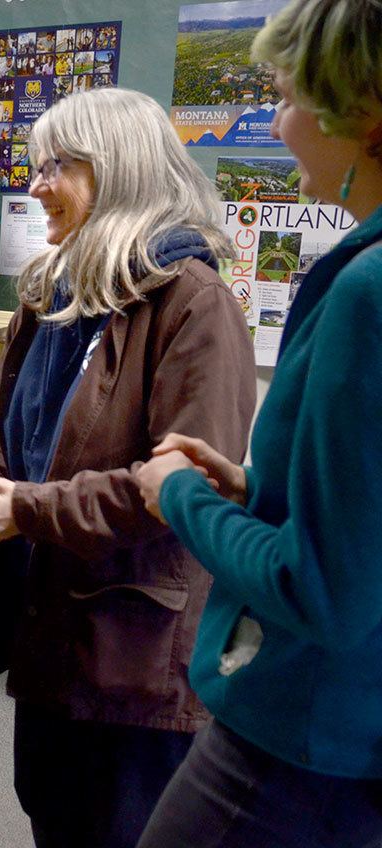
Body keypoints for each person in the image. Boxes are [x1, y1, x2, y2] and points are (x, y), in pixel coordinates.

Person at [0, 87, 256, 848]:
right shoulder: (56, 290)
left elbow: (188, 489)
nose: (34, 185)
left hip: (134, 659)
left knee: (119, 827)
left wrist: (25, 509)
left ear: (117, 169)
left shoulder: (194, 302)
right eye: (35, 165)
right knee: (53, 809)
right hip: (47, 630)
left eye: (56, 165)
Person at [134, 2, 382, 844]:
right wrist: (267, 489)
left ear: (362, 110)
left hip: (301, 742)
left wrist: (183, 499)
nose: (276, 126)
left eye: (285, 97)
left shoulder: (367, 291)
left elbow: (320, 588)